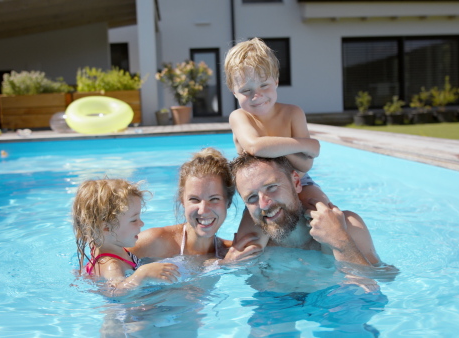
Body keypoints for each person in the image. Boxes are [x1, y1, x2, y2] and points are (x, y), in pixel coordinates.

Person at [224, 37, 329, 251]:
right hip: (258, 191)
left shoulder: (292, 113)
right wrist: (302, 145)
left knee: (327, 216)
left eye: (264, 85)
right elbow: (255, 147)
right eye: (246, 90)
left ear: (276, 81)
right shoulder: (239, 117)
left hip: (301, 180)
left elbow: (305, 167)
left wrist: (291, 151)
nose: (257, 95)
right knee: (247, 247)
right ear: (233, 91)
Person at [230, 153, 383, 267]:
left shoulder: (349, 227)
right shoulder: (250, 250)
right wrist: (225, 266)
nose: (264, 204)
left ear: (296, 182)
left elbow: (383, 281)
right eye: (251, 198)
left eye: (272, 187)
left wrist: (341, 242)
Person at [127, 147, 256, 262]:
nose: (203, 210)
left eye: (214, 199)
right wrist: (138, 278)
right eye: (194, 199)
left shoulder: (230, 254)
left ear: (228, 201)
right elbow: (109, 259)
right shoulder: (156, 242)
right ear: (182, 201)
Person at [72, 178, 180, 294]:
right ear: (106, 228)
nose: (141, 224)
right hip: (126, 311)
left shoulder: (100, 245)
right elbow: (115, 292)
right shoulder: (112, 265)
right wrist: (142, 275)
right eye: (134, 220)